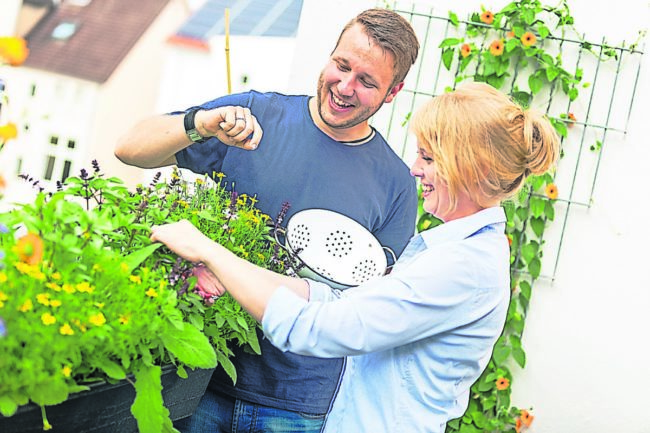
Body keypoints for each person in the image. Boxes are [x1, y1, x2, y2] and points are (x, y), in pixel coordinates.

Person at [148, 82, 560, 433]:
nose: (415, 169)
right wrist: (230, 269)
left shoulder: (461, 269)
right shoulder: (447, 250)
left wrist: (209, 250)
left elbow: (317, 330)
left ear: (474, 168)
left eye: (429, 158)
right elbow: (341, 302)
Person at [115, 8, 420, 433]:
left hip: (296, 403)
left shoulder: (397, 186)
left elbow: (366, 308)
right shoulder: (256, 115)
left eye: (367, 81)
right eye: (342, 65)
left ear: (393, 92)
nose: (345, 87)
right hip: (202, 373)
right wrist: (201, 123)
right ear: (329, 55)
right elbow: (130, 148)